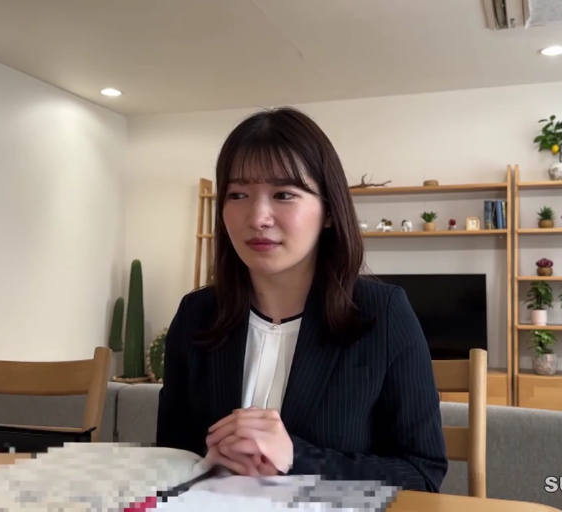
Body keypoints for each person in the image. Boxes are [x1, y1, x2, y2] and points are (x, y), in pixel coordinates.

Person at [155, 106, 448, 493]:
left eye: (284, 194)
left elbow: (423, 474)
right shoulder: (196, 315)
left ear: (328, 211)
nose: (258, 217)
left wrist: (297, 458)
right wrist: (203, 460)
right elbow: (171, 453)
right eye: (238, 194)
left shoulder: (384, 315)